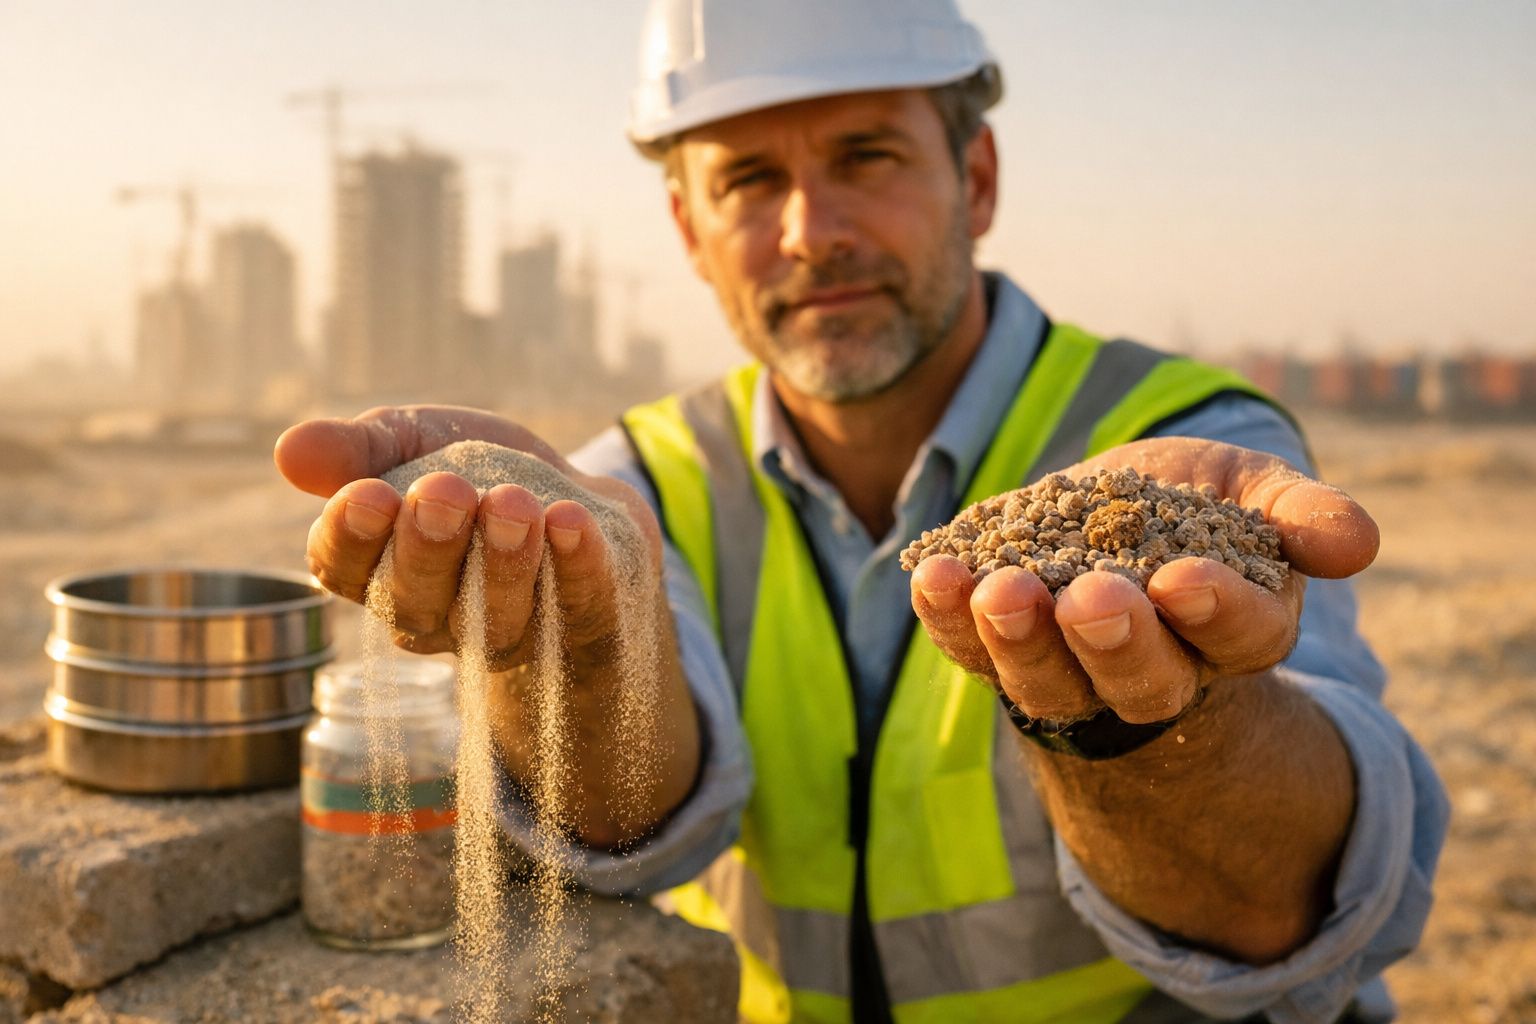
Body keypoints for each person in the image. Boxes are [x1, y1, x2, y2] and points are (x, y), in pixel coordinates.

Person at [274, 1, 1447, 1020]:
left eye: (868, 155)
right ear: (688, 231)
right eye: (746, 179)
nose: (809, 230)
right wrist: (572, 650)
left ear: (975, 181)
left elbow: (1294, 901)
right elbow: (636, 827)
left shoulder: (1190, 444)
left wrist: (1154, 730)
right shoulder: (637, 479)